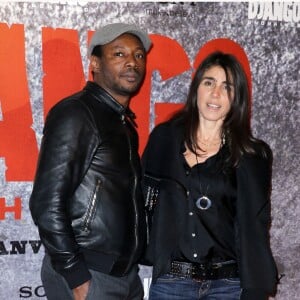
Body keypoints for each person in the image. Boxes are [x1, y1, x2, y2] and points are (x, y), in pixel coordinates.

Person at [30, 23, 152, 300]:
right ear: (95, 64)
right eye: (119, 54)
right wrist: (76, 276)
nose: (132, 62)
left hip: (123, 276)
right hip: (89, 275)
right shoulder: (77, 113)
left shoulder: (121, 123)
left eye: (138, 55)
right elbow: (46, 204)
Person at [142, 51, 278, 299]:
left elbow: (255, 226)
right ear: (196, 89)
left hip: (228, 286)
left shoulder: (252, 155)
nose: (216, 93)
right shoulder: (164, 139)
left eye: (227, 87)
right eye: (209, 83)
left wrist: (254, 289)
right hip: (172, 283)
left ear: (236, 98)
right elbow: (142, 203)